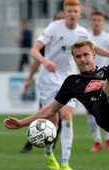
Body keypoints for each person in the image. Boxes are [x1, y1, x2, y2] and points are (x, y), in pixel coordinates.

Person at [4, 28, 109, 170]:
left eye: (86, 55)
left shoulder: (104, 71)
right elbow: (51, 109)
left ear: (93, 55)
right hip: (104, 112)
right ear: (74, 60)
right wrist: (21, 123)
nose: (82, 59)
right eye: (78, 56)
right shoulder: (72, 82)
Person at [29, 0, 109, 169]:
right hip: (49, 80)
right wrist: (45, 61)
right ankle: (49, 153)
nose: (72, 14)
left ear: (80, 14)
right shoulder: (54, 27)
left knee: (67, 118)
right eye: (69, 11)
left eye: (75, 11)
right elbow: (33, 50)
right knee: (53, 124)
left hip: (69, 79)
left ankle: (65, 163)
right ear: (65, 13)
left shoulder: (82, 32)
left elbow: (95, 49)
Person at [20, 11, 65, 154]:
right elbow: (36, 60)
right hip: (49, 82)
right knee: (42, 114)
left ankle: (51, 145)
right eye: (58, 19)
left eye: (62, 19)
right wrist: (29, 79)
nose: (60, 22)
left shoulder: (73, 39)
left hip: (65, 82)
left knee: (63, 117)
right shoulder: (48, 40)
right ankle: (30, 143)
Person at [86, 10, 109, 152]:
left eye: (99, 20)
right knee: (89, 111)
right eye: (94, 20)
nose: (96, 22)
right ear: (90, 21)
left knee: (105, 109)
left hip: (104, 78)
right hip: (88, 78)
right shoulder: (86, 37)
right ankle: (97, 141)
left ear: (103, 22)